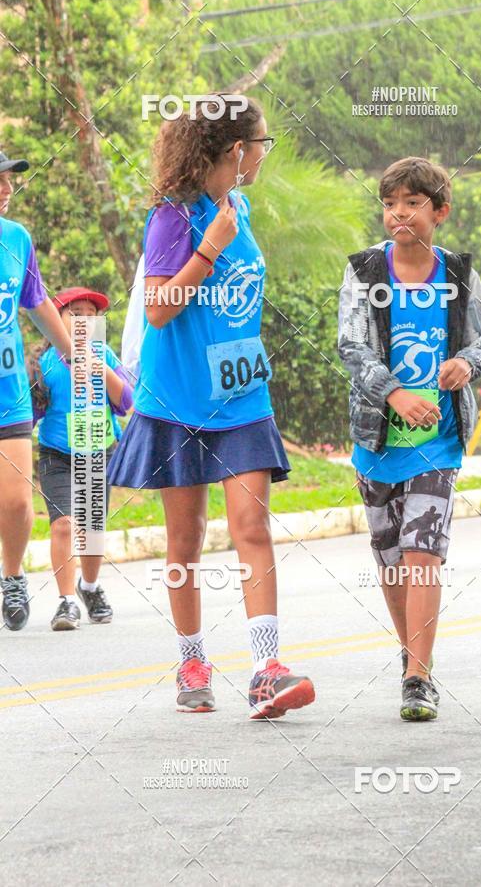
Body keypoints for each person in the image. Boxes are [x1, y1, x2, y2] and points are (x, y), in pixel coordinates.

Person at [108, 95, 315, 718]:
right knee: (186, 542)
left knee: (252, 528)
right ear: (236, 150)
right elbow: (158, 309)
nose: (262, 154)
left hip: (242, 393)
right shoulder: (174, 217)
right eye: (262, 144)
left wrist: (226, 238)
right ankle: (192, 659)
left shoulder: (238, 206)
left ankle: (265, 668)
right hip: (179, 401)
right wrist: (209, 249)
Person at [338, 156, 481, 721]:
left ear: (440, 212)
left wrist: (465, 365)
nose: (399, 214)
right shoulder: (363, 272)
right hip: (377, 441)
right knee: (393, 560)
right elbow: (352, 348)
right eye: (390, 204)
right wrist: (395, 394)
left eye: (412, 203)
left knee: (424, 553)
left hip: (440, 441)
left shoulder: (458, 275)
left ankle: (417, 678)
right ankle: (412, 656)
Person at [29, 287, 133, 631]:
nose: (84, 321)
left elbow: (125, 401)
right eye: (75, 314)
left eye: (91, 315)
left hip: (98, 453)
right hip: (56, 456)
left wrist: (99, 367)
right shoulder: (44, 364)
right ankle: (66, 602)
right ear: (55, 321)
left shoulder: (105, 355)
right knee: (62, 524)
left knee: (91, 531)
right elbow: (30, 413)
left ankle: (89, 587)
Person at [0, 150, 73, 631]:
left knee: (18, 502)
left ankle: (12, 574)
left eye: (9, 181)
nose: (7, 189)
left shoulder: (16, 239)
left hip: (8, 392)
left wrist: (75, 353)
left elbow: (37, 302)